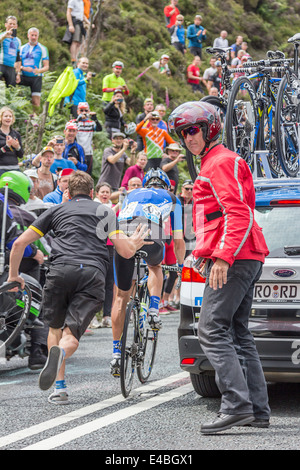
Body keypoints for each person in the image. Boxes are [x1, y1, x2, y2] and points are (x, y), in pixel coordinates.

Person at [168, 100, 270, 433]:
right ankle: (256, 409)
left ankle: (237, 406)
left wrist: (223, 257)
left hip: (237, 258)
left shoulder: (220, 162)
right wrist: (202, 254)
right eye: (183, 134)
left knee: (211, 330)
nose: (188, 138)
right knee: (238, 333)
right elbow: (216, 218)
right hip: (245, 255)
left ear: (210, 128)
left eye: (193, 130)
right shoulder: (216, 162)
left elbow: (237, 214)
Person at [7, 170, 152, 404]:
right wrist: (133, 243)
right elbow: (124, 251)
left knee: (55, 328)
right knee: (71, 335)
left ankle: (60, 389)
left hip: (60, 270)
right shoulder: (104, 210)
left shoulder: (55, 210)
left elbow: (19, 244)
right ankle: (62, 352)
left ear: (67, 192)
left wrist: (14, 276)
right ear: (93, 193)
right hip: (91, 273)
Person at [110, 168, 185, 376]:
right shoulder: (172, 197)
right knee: (155, 267)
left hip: (124, 234)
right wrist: (180, 266)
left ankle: (116, 354)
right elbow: (178, 240)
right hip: (150, 232)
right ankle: (153, 309)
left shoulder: (131, 194)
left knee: (120, 297)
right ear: (167, 186)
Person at [0, 170, 47, 369]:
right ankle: (38, 352)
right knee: (42, 300)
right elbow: (15, 241)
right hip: (9, 269)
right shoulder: (24, 214)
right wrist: (36, 251)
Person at [19, 28, 49, 110]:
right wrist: (23, 68)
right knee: (16, 96)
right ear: (28, 35)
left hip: (36, 78)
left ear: (38, 36)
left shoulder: (43, 48)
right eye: (32, 35)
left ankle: (35, 121)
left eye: (36, 35)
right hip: (23, 76)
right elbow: (17, 64)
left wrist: (39, 70)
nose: (34, 37)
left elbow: (46, 66)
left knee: (36, 102)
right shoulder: (22, 48)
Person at [74, 102, 102, 174]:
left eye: (86, 111)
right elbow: (69, 132)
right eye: (81, 110)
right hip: (76, 152)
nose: (84, 112)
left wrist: (95, 119)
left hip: (88, 153)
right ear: (77, 111)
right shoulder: (74, 122)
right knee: (75, 174)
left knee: (87, 175)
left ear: (89, 111)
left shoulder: (91, 123)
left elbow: (99, 129)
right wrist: (78, 120)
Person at [65, 0, 88, 67]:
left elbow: (82, 15)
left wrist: (89, 23)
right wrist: (70, 25)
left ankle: (77, 58)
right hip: (75, 21)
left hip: (80, 22)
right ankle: (73, 59)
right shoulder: (72, 1)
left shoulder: (81, 2)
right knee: (75, 41)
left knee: (79, 43)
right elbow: (68, 12)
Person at [0, 106, 23, 175]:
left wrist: (17, 147)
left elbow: (21, 155)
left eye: (10, 116)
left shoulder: (16, 134)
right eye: (6, 116)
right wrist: (7, 146)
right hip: (1, 169)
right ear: (1, 118)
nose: (8, 118)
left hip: (15, 169)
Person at [0, 15, 21, 87]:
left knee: (11, 91)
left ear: (16, 26)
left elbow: (18, 58)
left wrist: (18, 73)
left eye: (14, 24)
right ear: (6, 25)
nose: (12, 25)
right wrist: (4, 36)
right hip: (1, 65)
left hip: (11, 68)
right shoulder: (1, 36)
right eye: (10, 23)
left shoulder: (18, 41)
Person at [178, 179, 196, 257]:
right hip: (177, 234)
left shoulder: (194, 202)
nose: (189, 191)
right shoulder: (176, 200)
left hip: (189, 235)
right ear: (182, 189)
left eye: (191, 189)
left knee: (187, 258)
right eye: (187, 189)